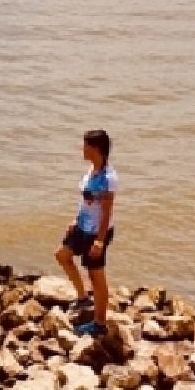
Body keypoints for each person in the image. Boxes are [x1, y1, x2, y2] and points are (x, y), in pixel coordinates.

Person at [54, 129, 116, 335]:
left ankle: (99, 324)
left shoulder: (108, 178)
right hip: (82, 226)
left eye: (85, 145)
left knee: (96, 275)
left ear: (96, 149)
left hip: (96, 232)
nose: (82, 149)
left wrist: (99, 241)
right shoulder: (91, 171)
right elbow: (86, 201)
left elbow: (106, 213)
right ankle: (82, 298)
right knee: (62, 255)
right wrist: (75, 219)